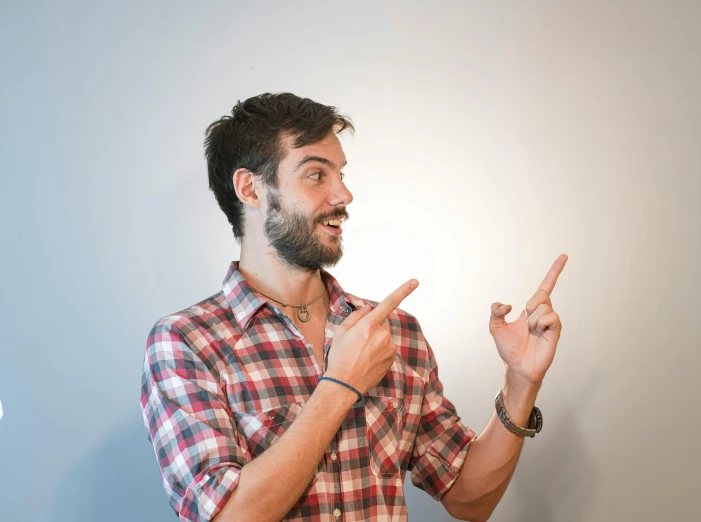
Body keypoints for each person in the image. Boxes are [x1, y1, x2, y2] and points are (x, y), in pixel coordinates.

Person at [140, 92, 568, 522]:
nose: (344, 195)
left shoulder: (393, 331)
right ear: (250, 189)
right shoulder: (185, 343)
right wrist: (342, 384)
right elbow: (224, 516)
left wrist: (520, 383)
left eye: (341, 175)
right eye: (315, 175)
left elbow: (469, 499)